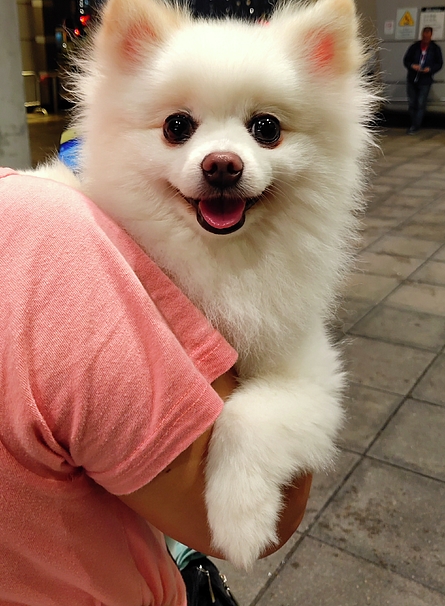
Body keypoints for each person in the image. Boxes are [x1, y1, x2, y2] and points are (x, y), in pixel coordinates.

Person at [0, 167, 311, 606]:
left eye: (265, 129)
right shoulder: (38, 230)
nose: (221, 159)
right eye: (178, 127)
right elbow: (272, 517)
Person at [403, 26, 443, 134]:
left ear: (431, 36)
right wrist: (412, 66)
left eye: (428, 37)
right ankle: (413, 123)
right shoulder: (415, 47)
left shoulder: (435, 49)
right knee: (412, 102)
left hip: (425, 80)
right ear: (422, 35)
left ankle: (416, 126)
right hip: (412, 78)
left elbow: (439, 63)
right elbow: (406, 60)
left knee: (421, 103)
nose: (426, 39)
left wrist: (430, 69)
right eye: (424, 36)